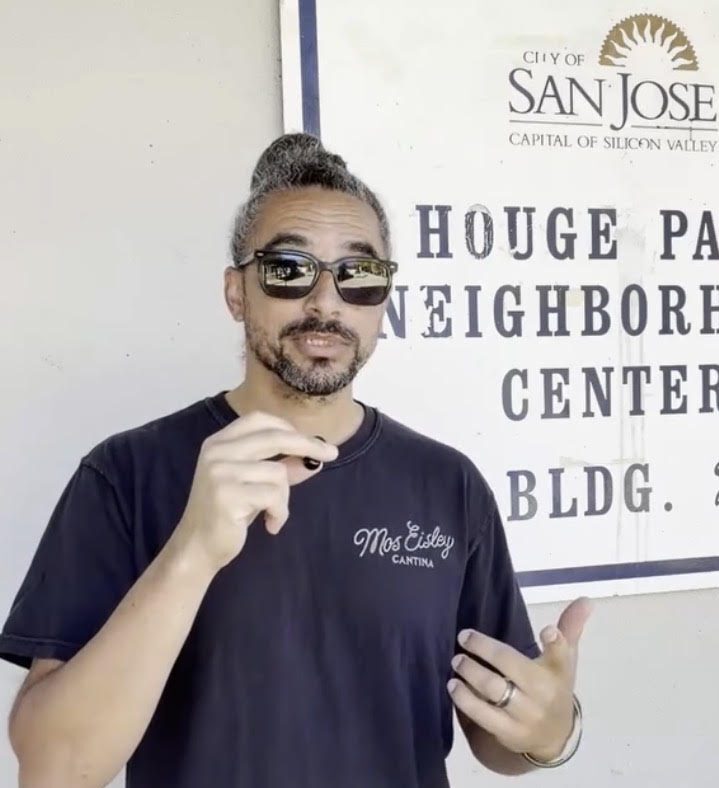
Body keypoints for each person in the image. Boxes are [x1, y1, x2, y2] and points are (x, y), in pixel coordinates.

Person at [1, 133, 591, 788]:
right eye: (289, 269)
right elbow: (54, 768)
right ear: (236, 292)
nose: (325, 302)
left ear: (382, 300)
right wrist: (192, 552)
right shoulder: (126, 475)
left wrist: (550, 731)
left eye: (358, 275)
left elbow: (497, 737)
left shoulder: (445, 484)